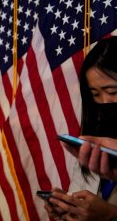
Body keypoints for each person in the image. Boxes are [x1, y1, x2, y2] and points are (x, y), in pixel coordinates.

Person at [44, 36, 117, 221]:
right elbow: (83, 191)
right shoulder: (96, 138)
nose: (104, 102)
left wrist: (110, 214)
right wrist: (69, 209)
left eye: (112, 92)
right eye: (95, 94)